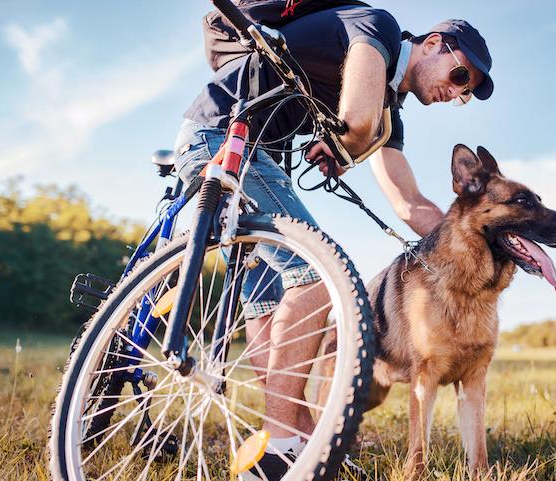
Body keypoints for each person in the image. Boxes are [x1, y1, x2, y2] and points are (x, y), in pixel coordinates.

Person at [173, 5, 493, 480]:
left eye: (464, 94)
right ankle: (277, 455)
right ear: (431, 45)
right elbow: (356, 120)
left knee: (268, 306)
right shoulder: (378, 28)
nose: (455, 91)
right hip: (224, 139)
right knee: (320, 276)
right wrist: (348, 141)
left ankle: (301, 435)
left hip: (257, 156)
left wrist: (483, 245)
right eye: (459, 73)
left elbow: (410, 205)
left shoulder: (389, 111)